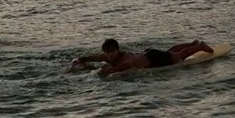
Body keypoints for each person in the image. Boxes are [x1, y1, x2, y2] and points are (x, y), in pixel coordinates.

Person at [69, 38, 213, 76]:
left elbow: (127, 66)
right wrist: (80, 60)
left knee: (179, 56)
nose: (109, 54)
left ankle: (199, 46)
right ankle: (192, 43)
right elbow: (94, 57)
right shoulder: (107, 57)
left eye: (112, 51)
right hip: (147, 54)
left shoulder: (125, 58)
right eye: (107, 52)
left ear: (117, 50)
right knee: (170, 51)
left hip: (153, 60)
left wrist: (108, 72)